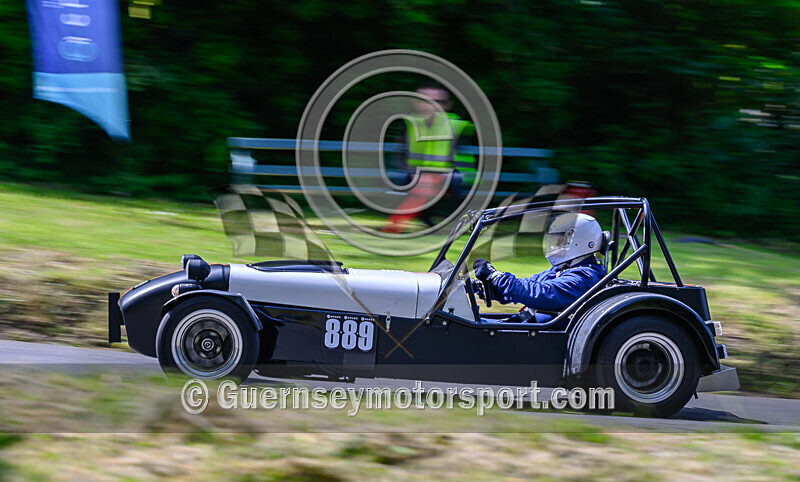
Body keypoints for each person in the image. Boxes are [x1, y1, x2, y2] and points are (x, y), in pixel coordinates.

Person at [473, 213, 606, 324]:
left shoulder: (584, 277)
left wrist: (496, 277)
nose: (554, 245)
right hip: (527, 326)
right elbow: (527, 286)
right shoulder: (561, 270)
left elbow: (539, 293)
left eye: (560, 240)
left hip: (542, 337)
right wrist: (488, 287)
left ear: (580, 241)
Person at [382, 84, 476, 233]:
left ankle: (397, 226)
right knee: (421, 185)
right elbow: (400, 155)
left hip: (450, 176)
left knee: (445, 183)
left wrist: (443, 175)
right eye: (425, 100)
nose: (431, 105)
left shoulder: (457, 126)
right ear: (416, 103)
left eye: (438, 101)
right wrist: (414, 173)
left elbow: (463, 160)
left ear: (447, 105)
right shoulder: (409, 124)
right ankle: (425, 225)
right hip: (415, 174)